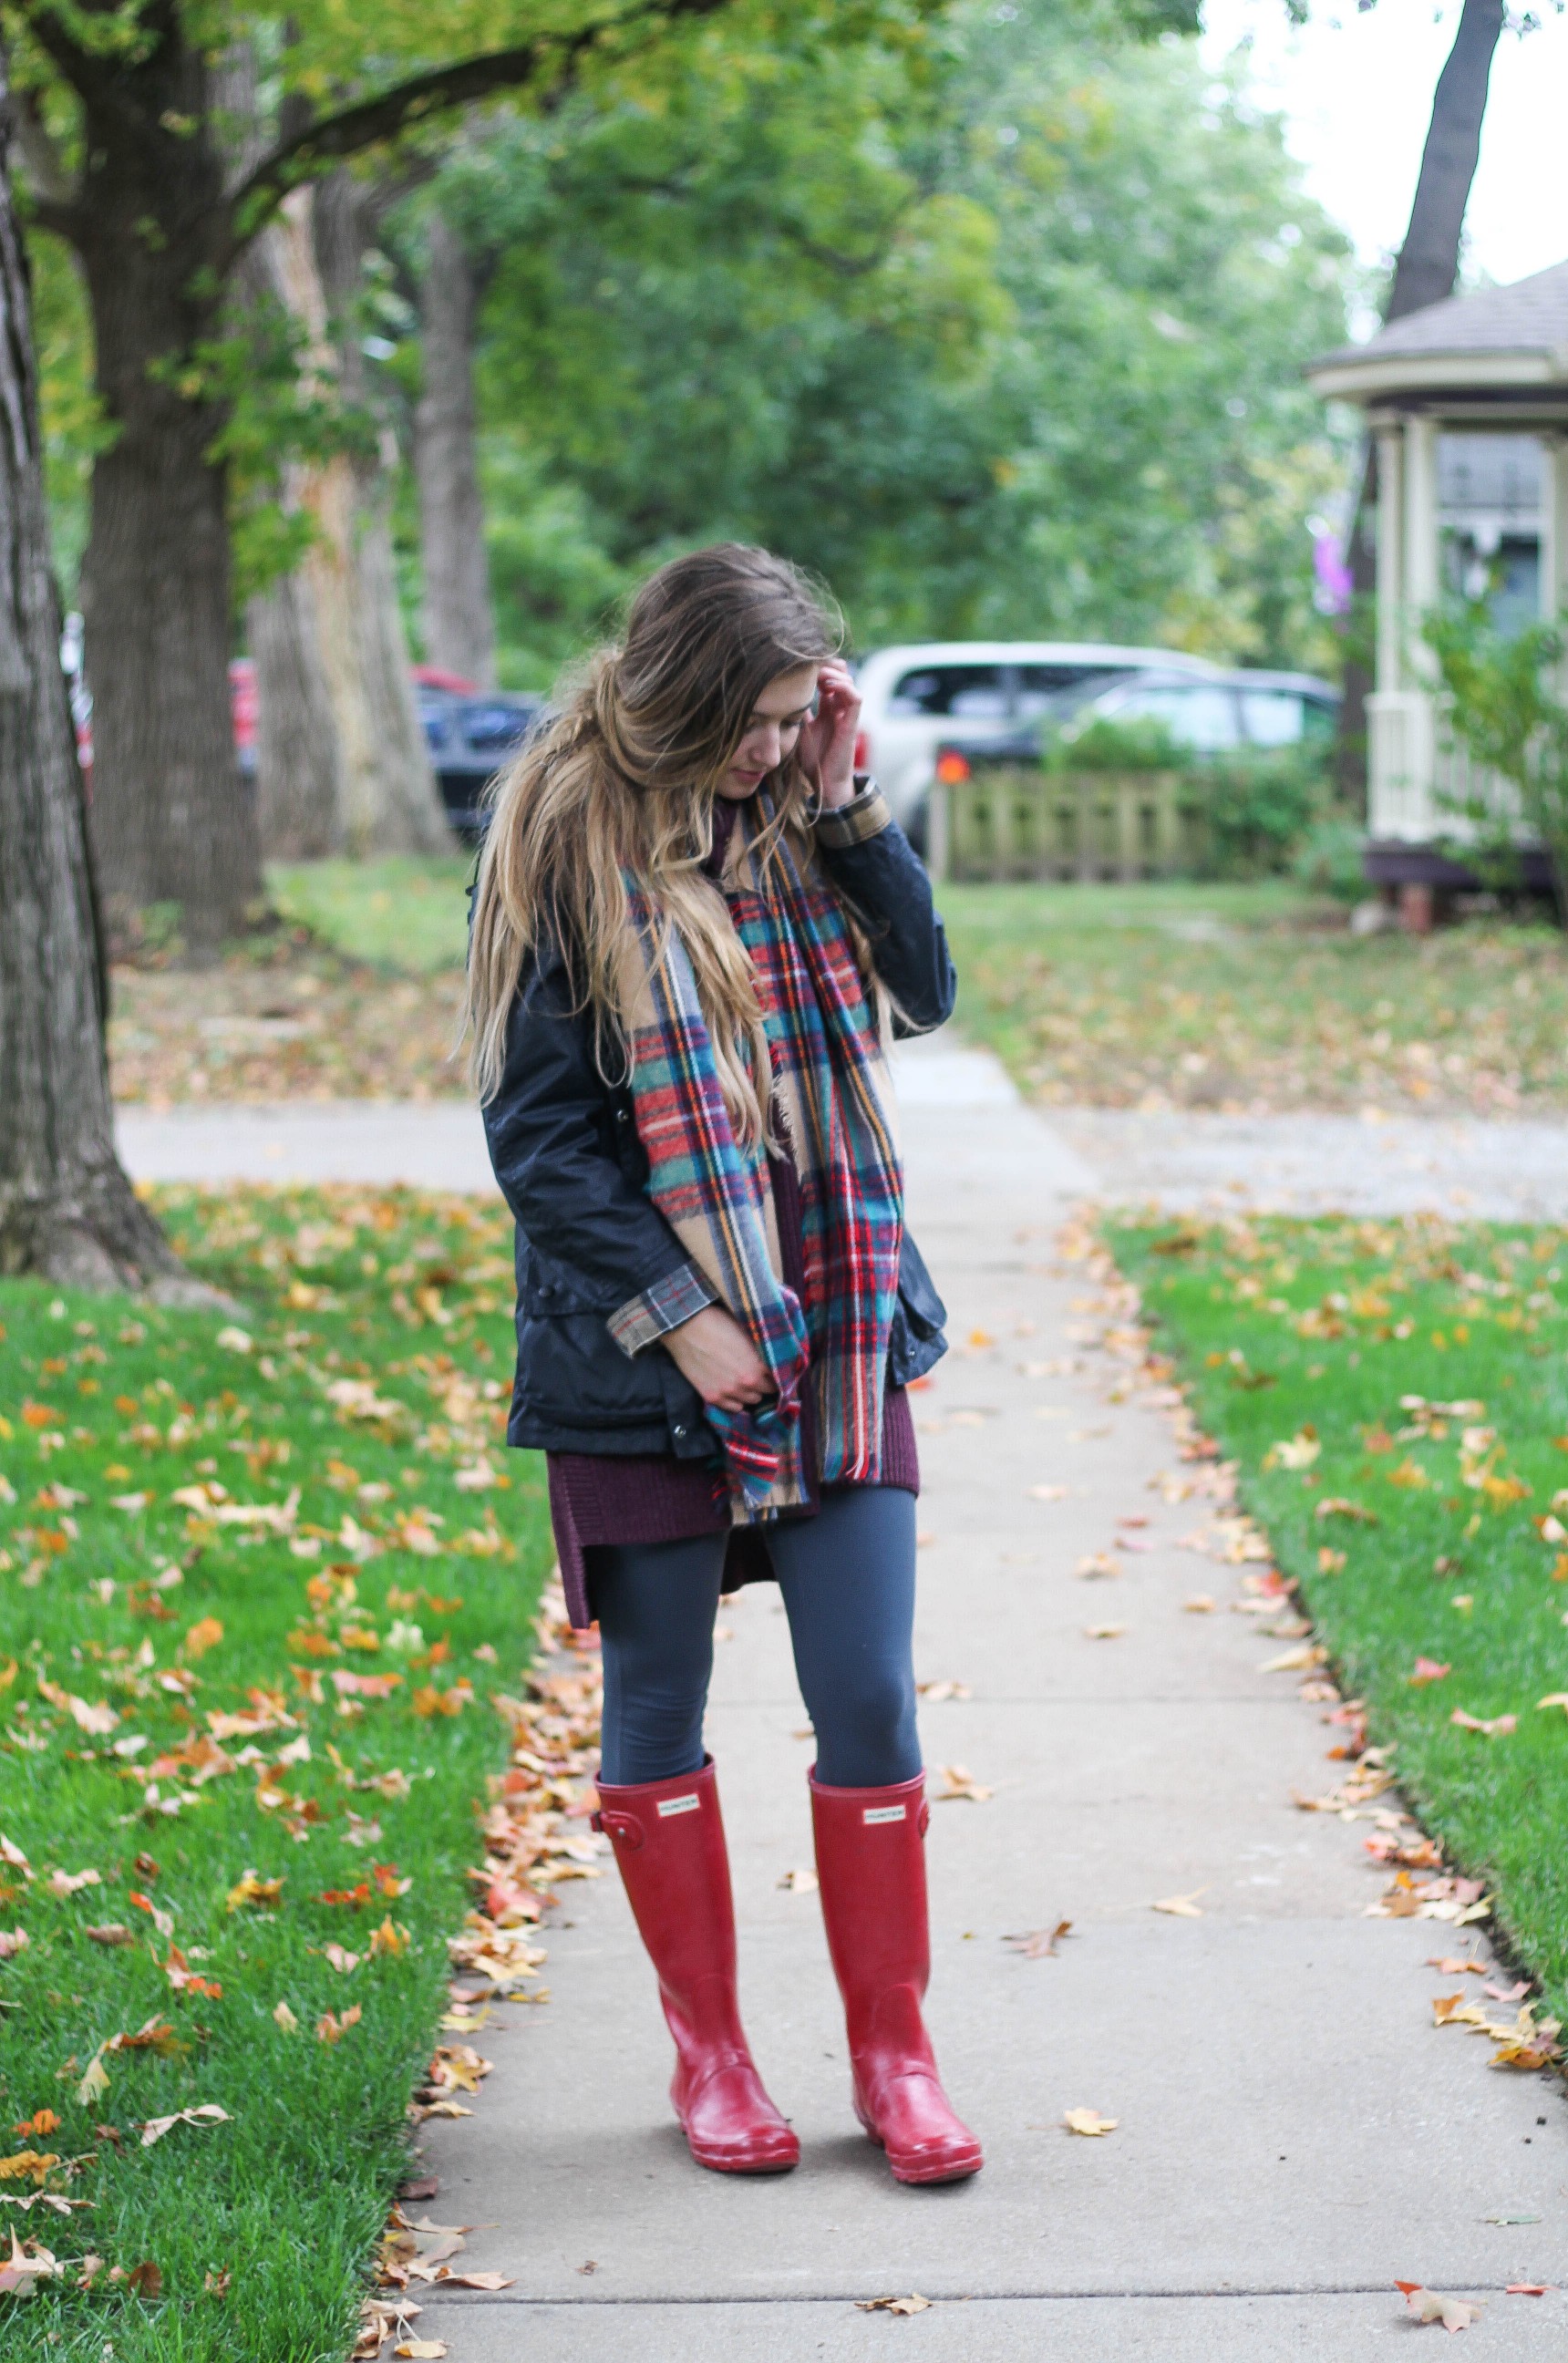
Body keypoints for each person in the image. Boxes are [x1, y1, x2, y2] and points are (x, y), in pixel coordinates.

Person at [467, 543, 980, 2187]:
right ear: (686, 697)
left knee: (872, 1692)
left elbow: (929, 990)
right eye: (754, 722)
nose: (769, 747)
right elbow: (538, 1138)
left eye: (789, 718)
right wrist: (678, 1312)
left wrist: (849, 802)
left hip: (831, 1318)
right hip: (643, 1357)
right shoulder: (560, 838)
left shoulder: (799, 817)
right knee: (658, 1700)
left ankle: (895, 2059)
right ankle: (713, 2060)